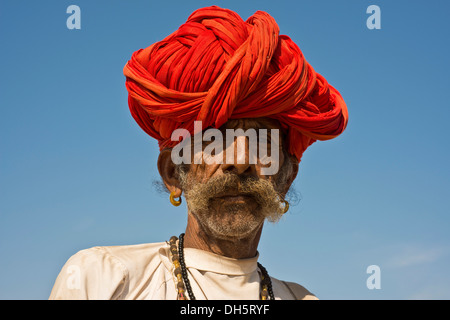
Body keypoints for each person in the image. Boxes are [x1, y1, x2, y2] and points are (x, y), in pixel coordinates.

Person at [49, 5, 348, 300]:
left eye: (261, 142)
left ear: (286, 179)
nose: (240, 160)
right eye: (212, 140)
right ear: (172, 173)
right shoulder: (107, 281)